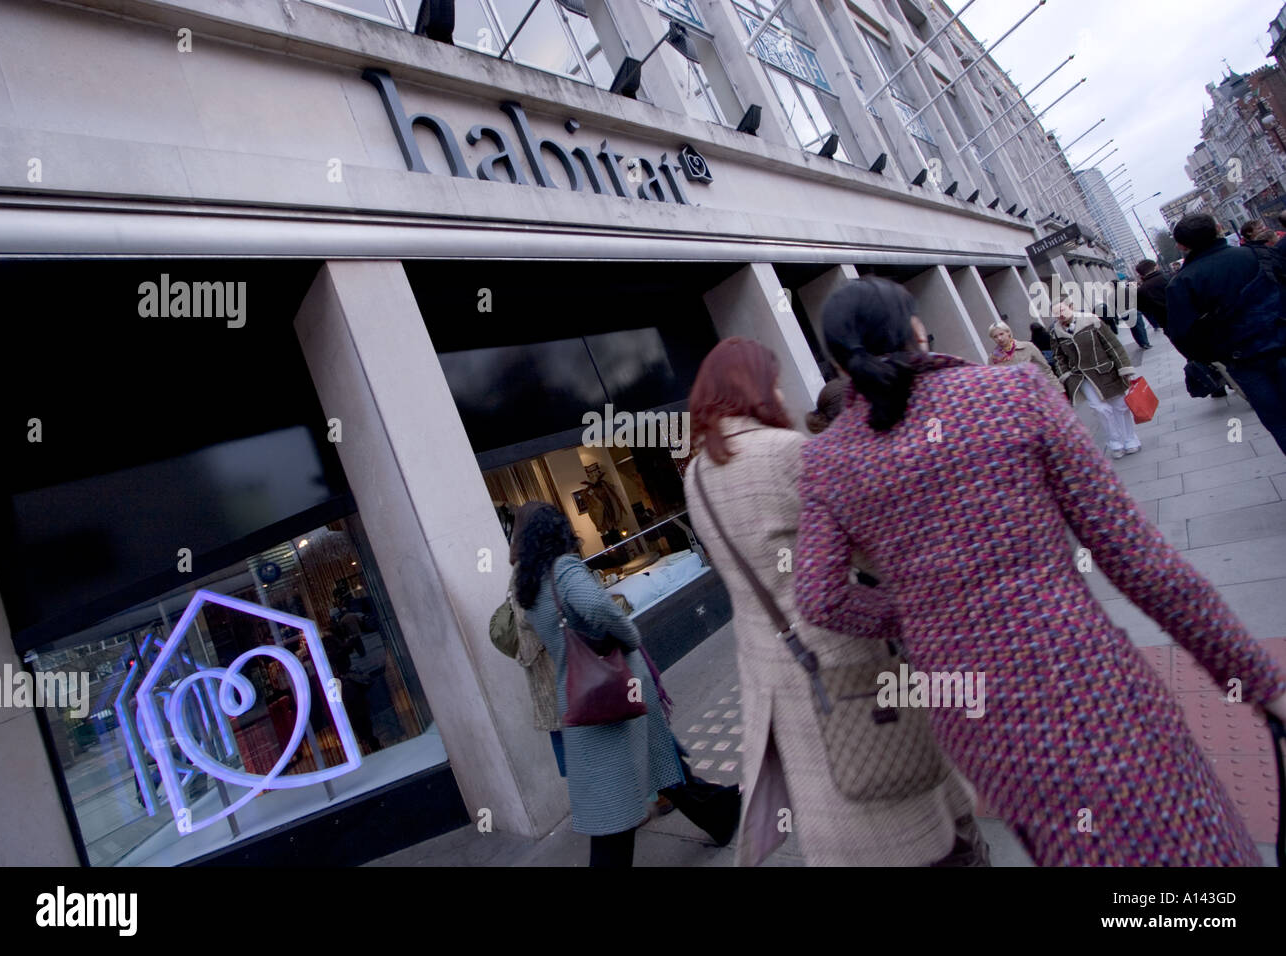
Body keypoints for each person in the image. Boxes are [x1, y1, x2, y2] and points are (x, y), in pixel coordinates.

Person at [794, 276, 1286, 867]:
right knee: (1187, 849)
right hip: (1083, 684)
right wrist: (1259, 680)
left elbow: (819, 598)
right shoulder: (1012, 393)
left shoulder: (825, 459)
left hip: (973, 718)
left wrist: (920, 611)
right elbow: (1137, 559)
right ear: (915, 331)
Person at [683, 336, 984, 867]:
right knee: (915, 807)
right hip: (846, 659)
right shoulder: (787, 452)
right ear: (752, 387)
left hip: (774, 671)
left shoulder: (696, 476)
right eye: (772, 379)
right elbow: (867, 547)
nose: (778, 389)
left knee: (843, 815)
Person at [514, 504, 685, 867]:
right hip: (612, 683)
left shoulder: (527, 586)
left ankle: (718, 809)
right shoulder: (563, 569)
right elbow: (598, 606)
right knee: (615, 811)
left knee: (634, 783)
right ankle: (715, 808)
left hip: (576, 692)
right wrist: (629, 635)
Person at [1166, 212, 1286, 455]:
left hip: (1245, 362)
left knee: (1280, 424)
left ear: (1181, 245)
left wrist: (1220, 355)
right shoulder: (1258, 254)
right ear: (1219, 228)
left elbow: (1184, 338)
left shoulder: (1183, 284)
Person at [507, 502, 566, 778]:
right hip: (553, 671)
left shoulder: (534, 566)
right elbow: (525, 619)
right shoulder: (525, 571)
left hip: (556, 673)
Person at [1049, 298, 1141, 458]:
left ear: (1071, 307)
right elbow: (1058, 357)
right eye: (1056, 313)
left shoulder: (1091, 320)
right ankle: (1115, 442)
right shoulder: (1055, 332)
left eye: (1062, 310)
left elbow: (1112, 344)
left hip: (1105, 370)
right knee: (1100, 409)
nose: (1060, 315)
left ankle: (1130, 439)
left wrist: (1123, 367)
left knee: (1120, 406)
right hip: (1082, 376)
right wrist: (1066, 374)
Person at [987, 319, 1058, 386]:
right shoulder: (993, 358)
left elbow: (1045, 370)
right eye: (995, 337)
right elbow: (995, 381)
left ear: (1008, 332)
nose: (999, 338)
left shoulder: (1027, 347)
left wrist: (1058, 389)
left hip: (1037, 389)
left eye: (1001, 334)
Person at [1134, 259, 1169, 332]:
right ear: (1155, 267)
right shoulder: (1168, 277)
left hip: (1166, 322)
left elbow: (1143, 308)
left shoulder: (1141, 290)